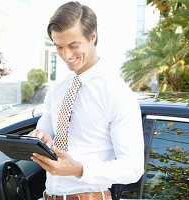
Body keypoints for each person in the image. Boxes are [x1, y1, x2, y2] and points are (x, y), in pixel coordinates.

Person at [29, 1, 144, 200]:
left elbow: (133, 168)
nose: (66, 55)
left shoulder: (117, 92)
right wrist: (39, 137)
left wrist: (80, 169)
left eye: (73, 46)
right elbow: (45, 133)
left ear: (93, 37)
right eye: (59, 47)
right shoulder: (57, 88)